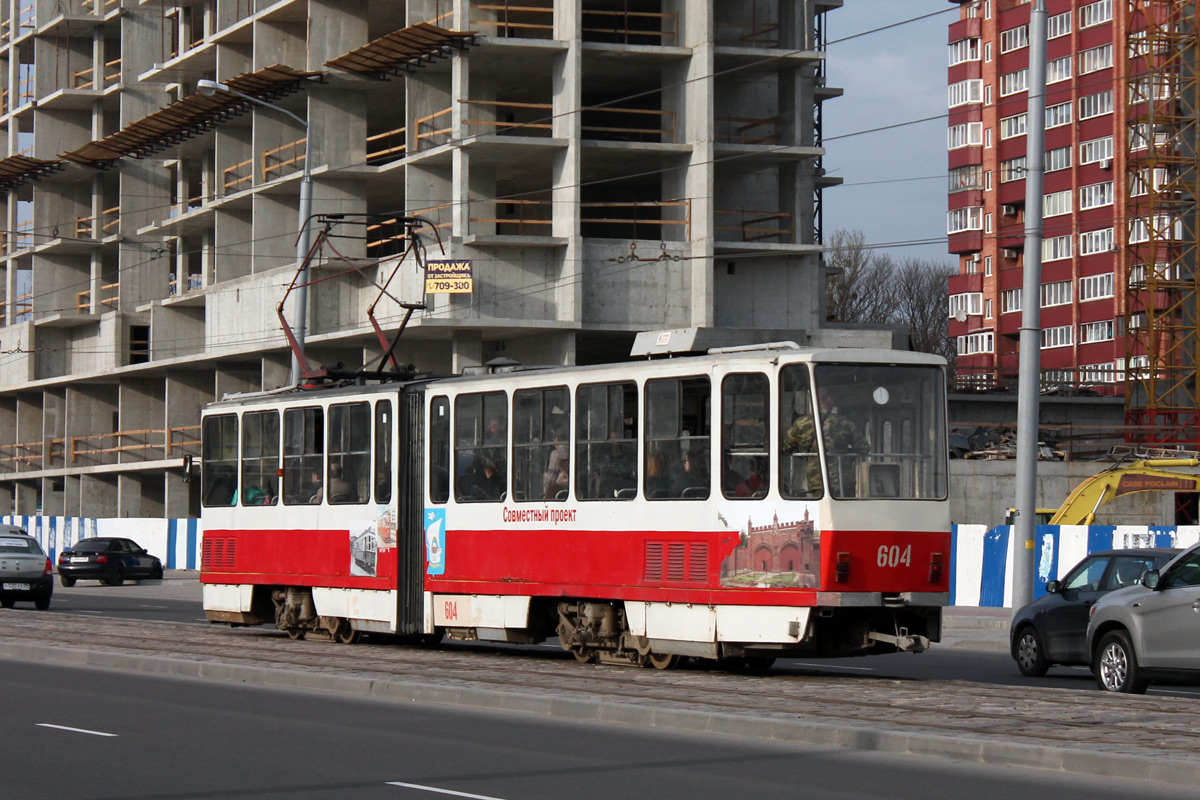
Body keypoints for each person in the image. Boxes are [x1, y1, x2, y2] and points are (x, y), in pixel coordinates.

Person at [782, 389, 868, 496]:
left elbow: (786, 448)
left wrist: (805, 454)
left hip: (816, 480)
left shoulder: (800, 423)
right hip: (842, 480)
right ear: (829, 400)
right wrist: (846, 454)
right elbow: (864, 447)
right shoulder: (844, 422)